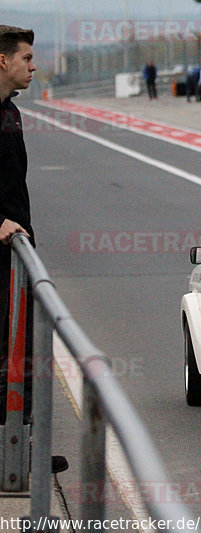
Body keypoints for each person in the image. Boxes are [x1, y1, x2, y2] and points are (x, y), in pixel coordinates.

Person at [0, 25, 36, 425]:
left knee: (22, 348)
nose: (33, 66)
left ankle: (24, 441)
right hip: (3, 247)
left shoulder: (11, 111)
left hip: (17, 251)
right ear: (3, 60)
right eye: (26, 58)